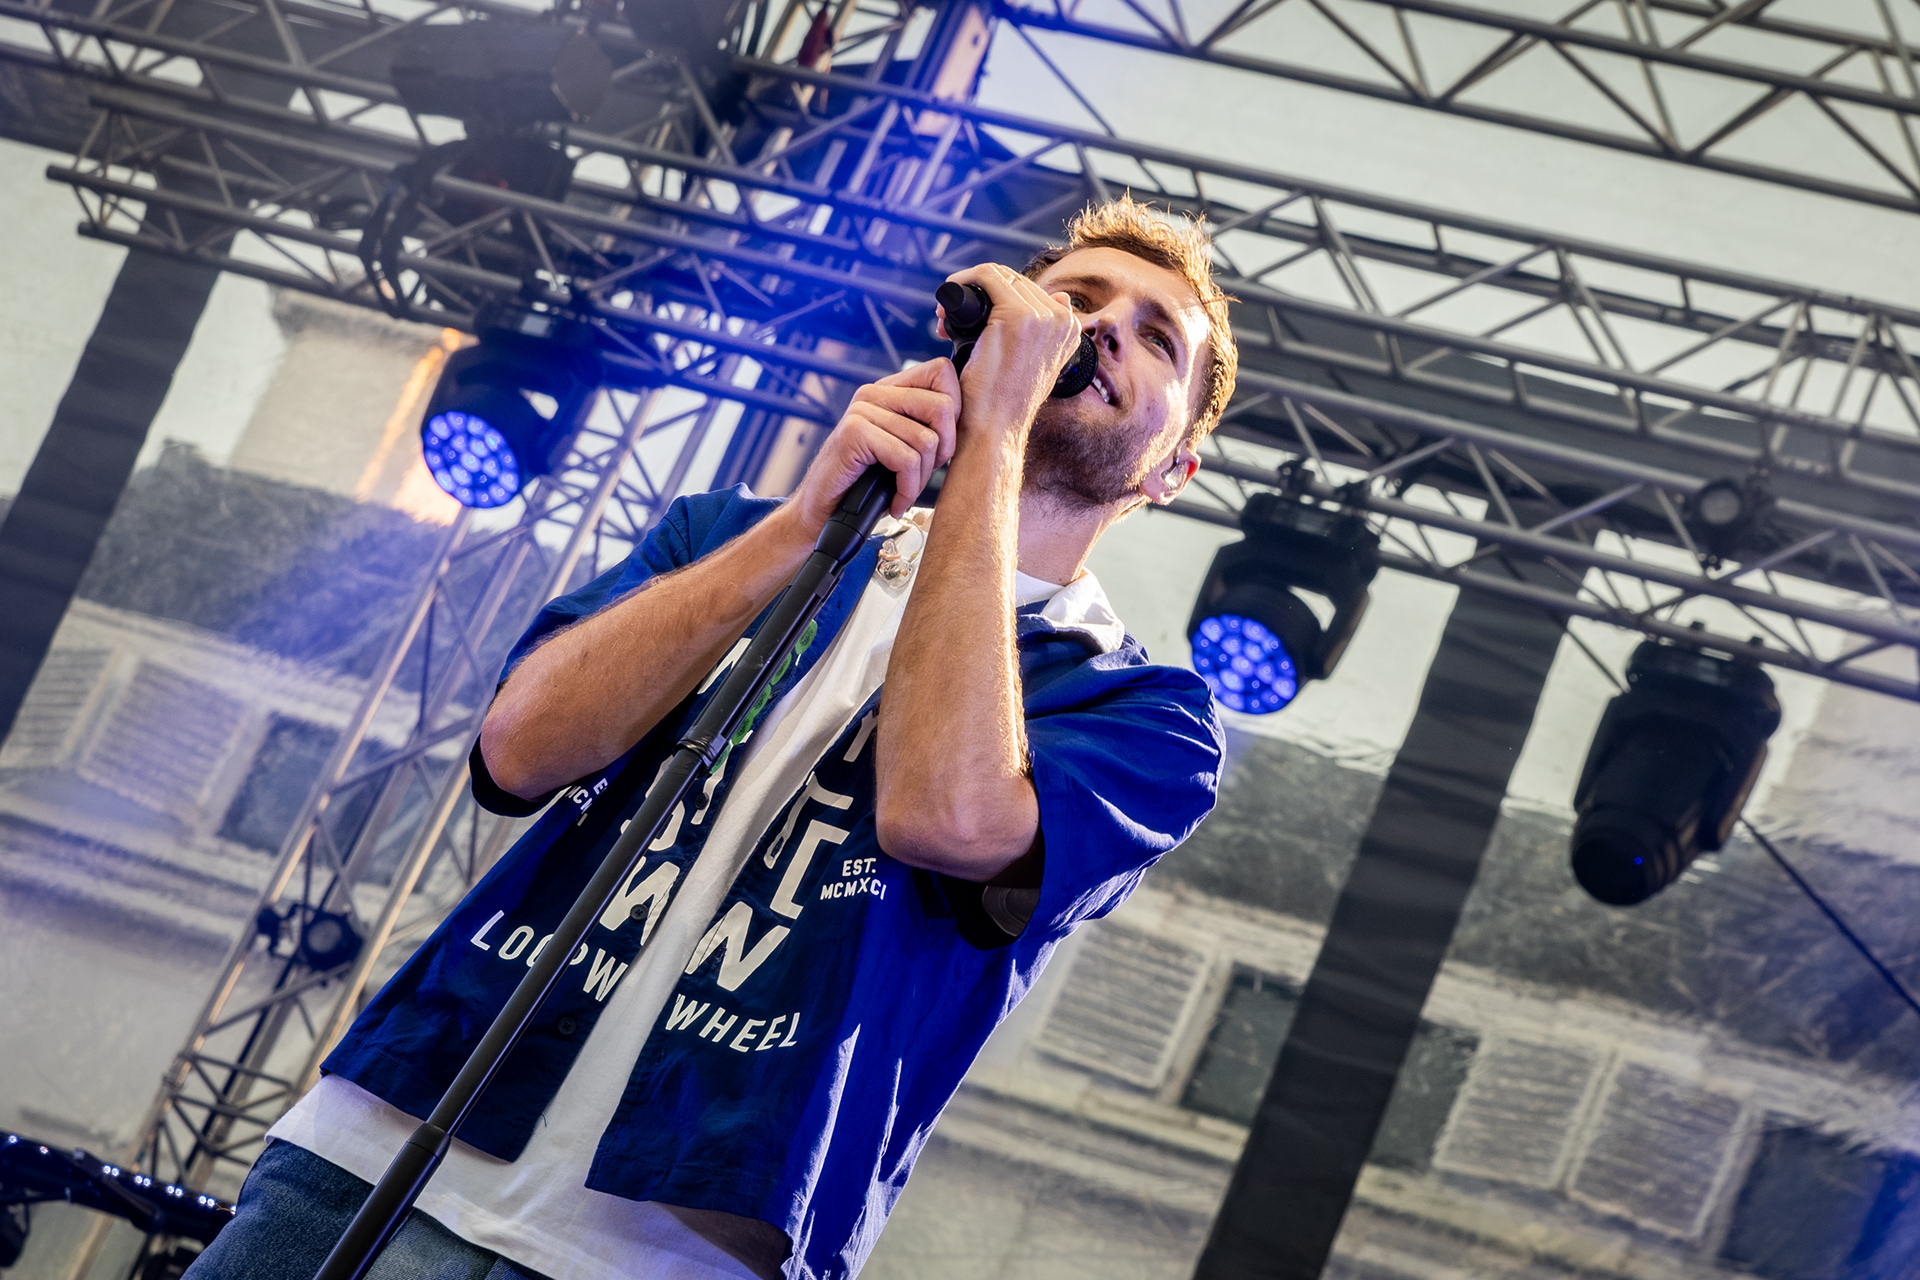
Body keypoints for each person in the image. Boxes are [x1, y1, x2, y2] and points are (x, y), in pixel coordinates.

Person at [184, 196, 1238, 1280]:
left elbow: (943, 816)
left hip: (666, 1253)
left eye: (1157, 336)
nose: (1100, 327)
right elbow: (518, 748)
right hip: (379, 1151)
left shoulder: (1145, 712)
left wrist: (997, 443)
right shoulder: (728, 533)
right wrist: (802, 524)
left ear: (1173, 471)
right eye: (1075, 299)